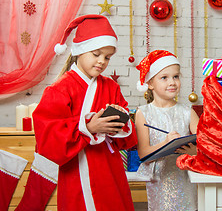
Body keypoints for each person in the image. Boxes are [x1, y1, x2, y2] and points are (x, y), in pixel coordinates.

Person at [17, 15, 138, 211]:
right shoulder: (59, 89)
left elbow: (128, 137)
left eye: (107, 57)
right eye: (96, 54)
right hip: (77, 172)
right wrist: (88, 127)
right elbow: (48, 139)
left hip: (110, 168)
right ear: (80, 50)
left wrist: (118, 123)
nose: (102, 62)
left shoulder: (111, 86)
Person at [135, 50, 199, 211]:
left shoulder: (187, 111)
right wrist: (165, 143)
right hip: (159, 181)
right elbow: (143, 153)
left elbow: (207, 145)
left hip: (186, 178)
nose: (172, 82)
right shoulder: (143, 113)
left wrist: (193, 150)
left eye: (176, 76)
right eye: (164, 77)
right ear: (150, 84)